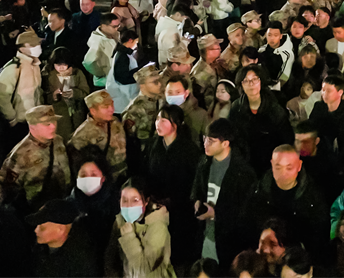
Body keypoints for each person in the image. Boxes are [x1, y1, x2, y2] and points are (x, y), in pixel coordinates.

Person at [245, 145, 331, 264]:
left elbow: (319, 238)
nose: (283, 173)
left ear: (299, 166)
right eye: (278, 167)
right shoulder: (258, 191)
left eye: (289, 168)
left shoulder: (313, 198)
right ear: (271, 164)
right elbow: (247, 224)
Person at [193, 118, 258, 265]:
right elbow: (197, 190)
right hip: (205, 236)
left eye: (211, 141)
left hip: (228, 243)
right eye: (205, 138)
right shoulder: (204, 163)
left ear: (225, 143)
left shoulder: (243, 173)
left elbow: (246, 212)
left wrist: (216, 214)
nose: (205, 144)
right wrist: (197, 202)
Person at [146, 105, 201, 265]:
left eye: (164, 120)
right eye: (157, 119)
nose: (158, 123)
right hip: (156, 206)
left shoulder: (189, 150)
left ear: (175, 125)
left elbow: (193, 181)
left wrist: (175, 200)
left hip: (181, 210)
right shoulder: (153, 145)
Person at [2, 105, 71, 214]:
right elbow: (9, 193)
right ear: (32, 126)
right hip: (40, 212)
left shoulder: (58, 140)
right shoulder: (19, 155)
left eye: (54, 121)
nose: (53, 126)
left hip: (65, 202)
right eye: (47, 124)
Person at [103, 179, 174, 278]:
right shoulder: (120, 222)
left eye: (135, 200)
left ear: (146, 201)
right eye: (124, 200)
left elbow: (145, 270)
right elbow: (110, 258)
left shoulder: (158, 226)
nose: (129, 206)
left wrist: (129, 238)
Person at [229, 66, 293, 174]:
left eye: (254, 79)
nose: (251, 84)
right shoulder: (236, 108)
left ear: (260, 81)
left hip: (270, 164)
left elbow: (287, 139)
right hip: (244, 164)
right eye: (246, 81)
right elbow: (233, 136)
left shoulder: (274, 109)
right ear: (241, 85)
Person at [29, 199, 101, 278]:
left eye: (42, 228)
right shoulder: (39, 247)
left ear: (60, 230)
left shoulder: (80, 262)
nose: (36, 230)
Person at [69, 90, 129, 182]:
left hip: (124, 174)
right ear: (93, 110)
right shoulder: (82, 134)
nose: (111, 109)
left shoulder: (115, 122)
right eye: (105, 106)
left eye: (111, 104)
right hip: (104, 180)